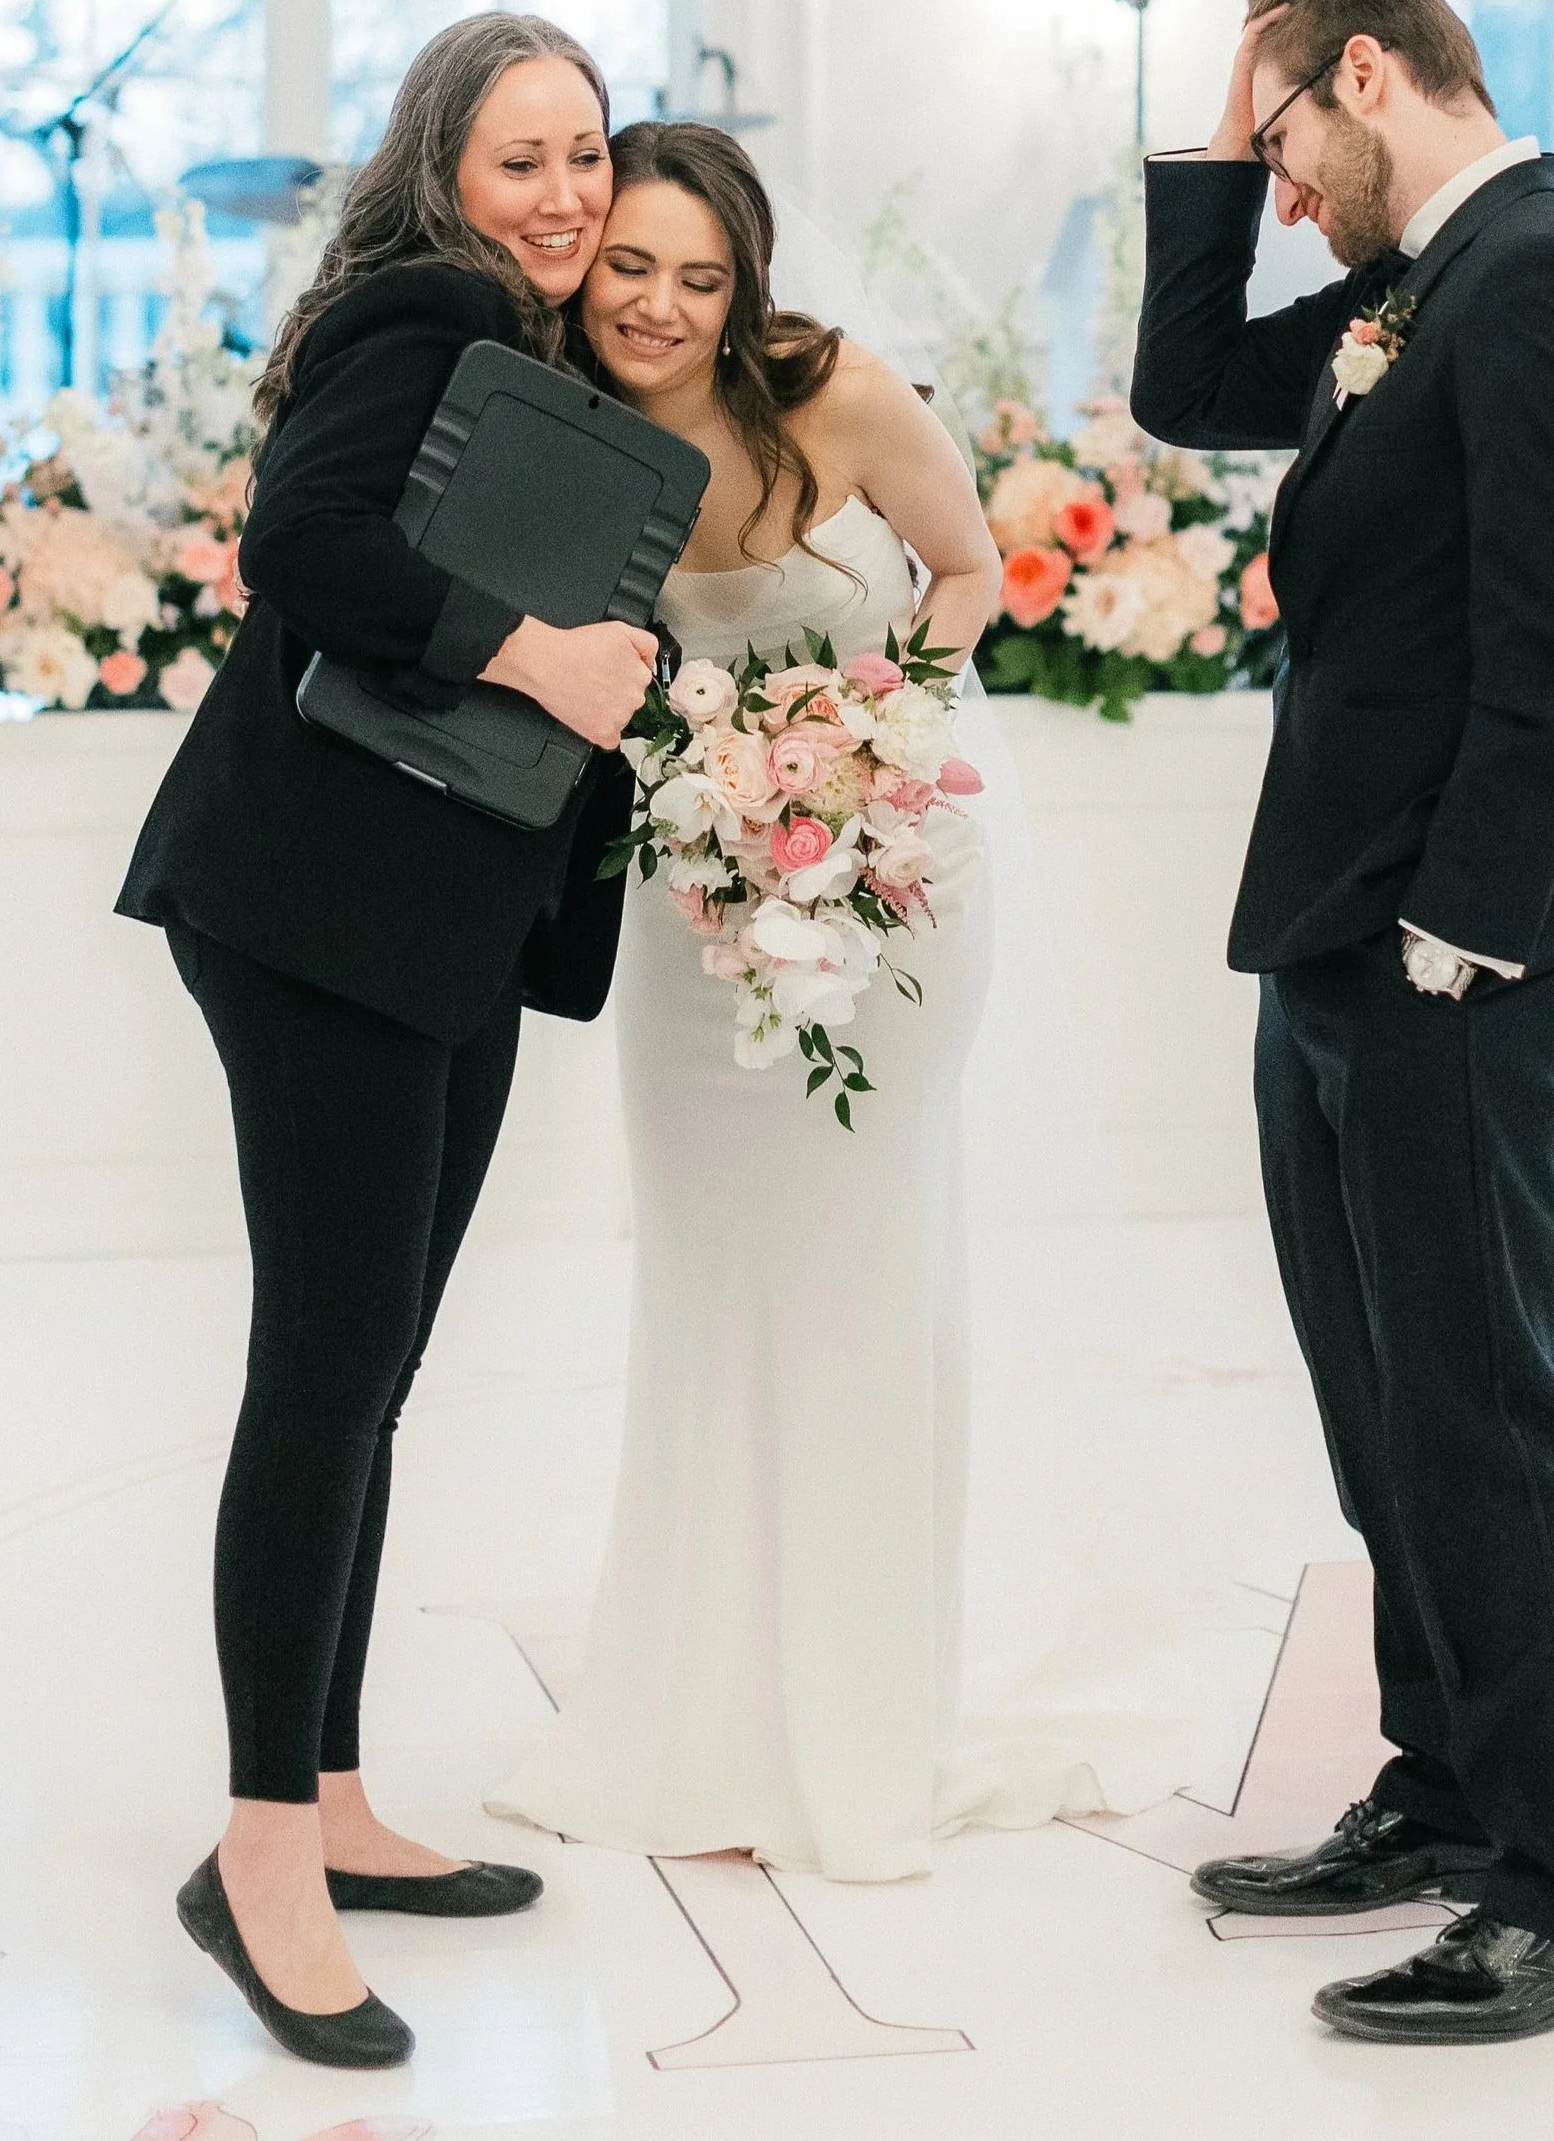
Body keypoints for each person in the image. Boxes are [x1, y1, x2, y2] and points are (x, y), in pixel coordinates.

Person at [489, 121, 1146, 1883]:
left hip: (898, 882)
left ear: (749, 284)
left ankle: (861, 1713)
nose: (655, 303)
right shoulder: (550, 416)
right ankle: (691, 1700)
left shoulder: (834, 393)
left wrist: (874, 747)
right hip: (685, 896)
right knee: (707, 1276)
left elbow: (970, 571)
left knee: (860, 1269)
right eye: (628, 263)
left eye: (699, 277)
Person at [1129, 0, 1554, 2043]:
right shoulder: (1414, 285)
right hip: (1338, 931)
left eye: (1280, 141)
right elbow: (1185, 392)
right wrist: (1205, 134)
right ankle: (1450, 1789)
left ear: (1369, 75)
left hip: (1458, 943)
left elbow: (1551, 655)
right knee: (1383, 1416)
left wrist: (1460, 931)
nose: (1278, 189)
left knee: (1474, 1420)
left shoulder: (1540, 281)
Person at [115, 12, 656, 2068]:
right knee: (324, 1379)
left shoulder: (534, 352)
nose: (567, 194)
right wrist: (534, 649)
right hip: (314, 918)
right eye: (522, 156)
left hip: (429, 924)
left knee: (371, 1377)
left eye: (585, 154)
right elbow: (301, 549)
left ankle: (328, 1790)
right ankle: (256, 1848)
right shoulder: (423, 304)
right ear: (442, 167)